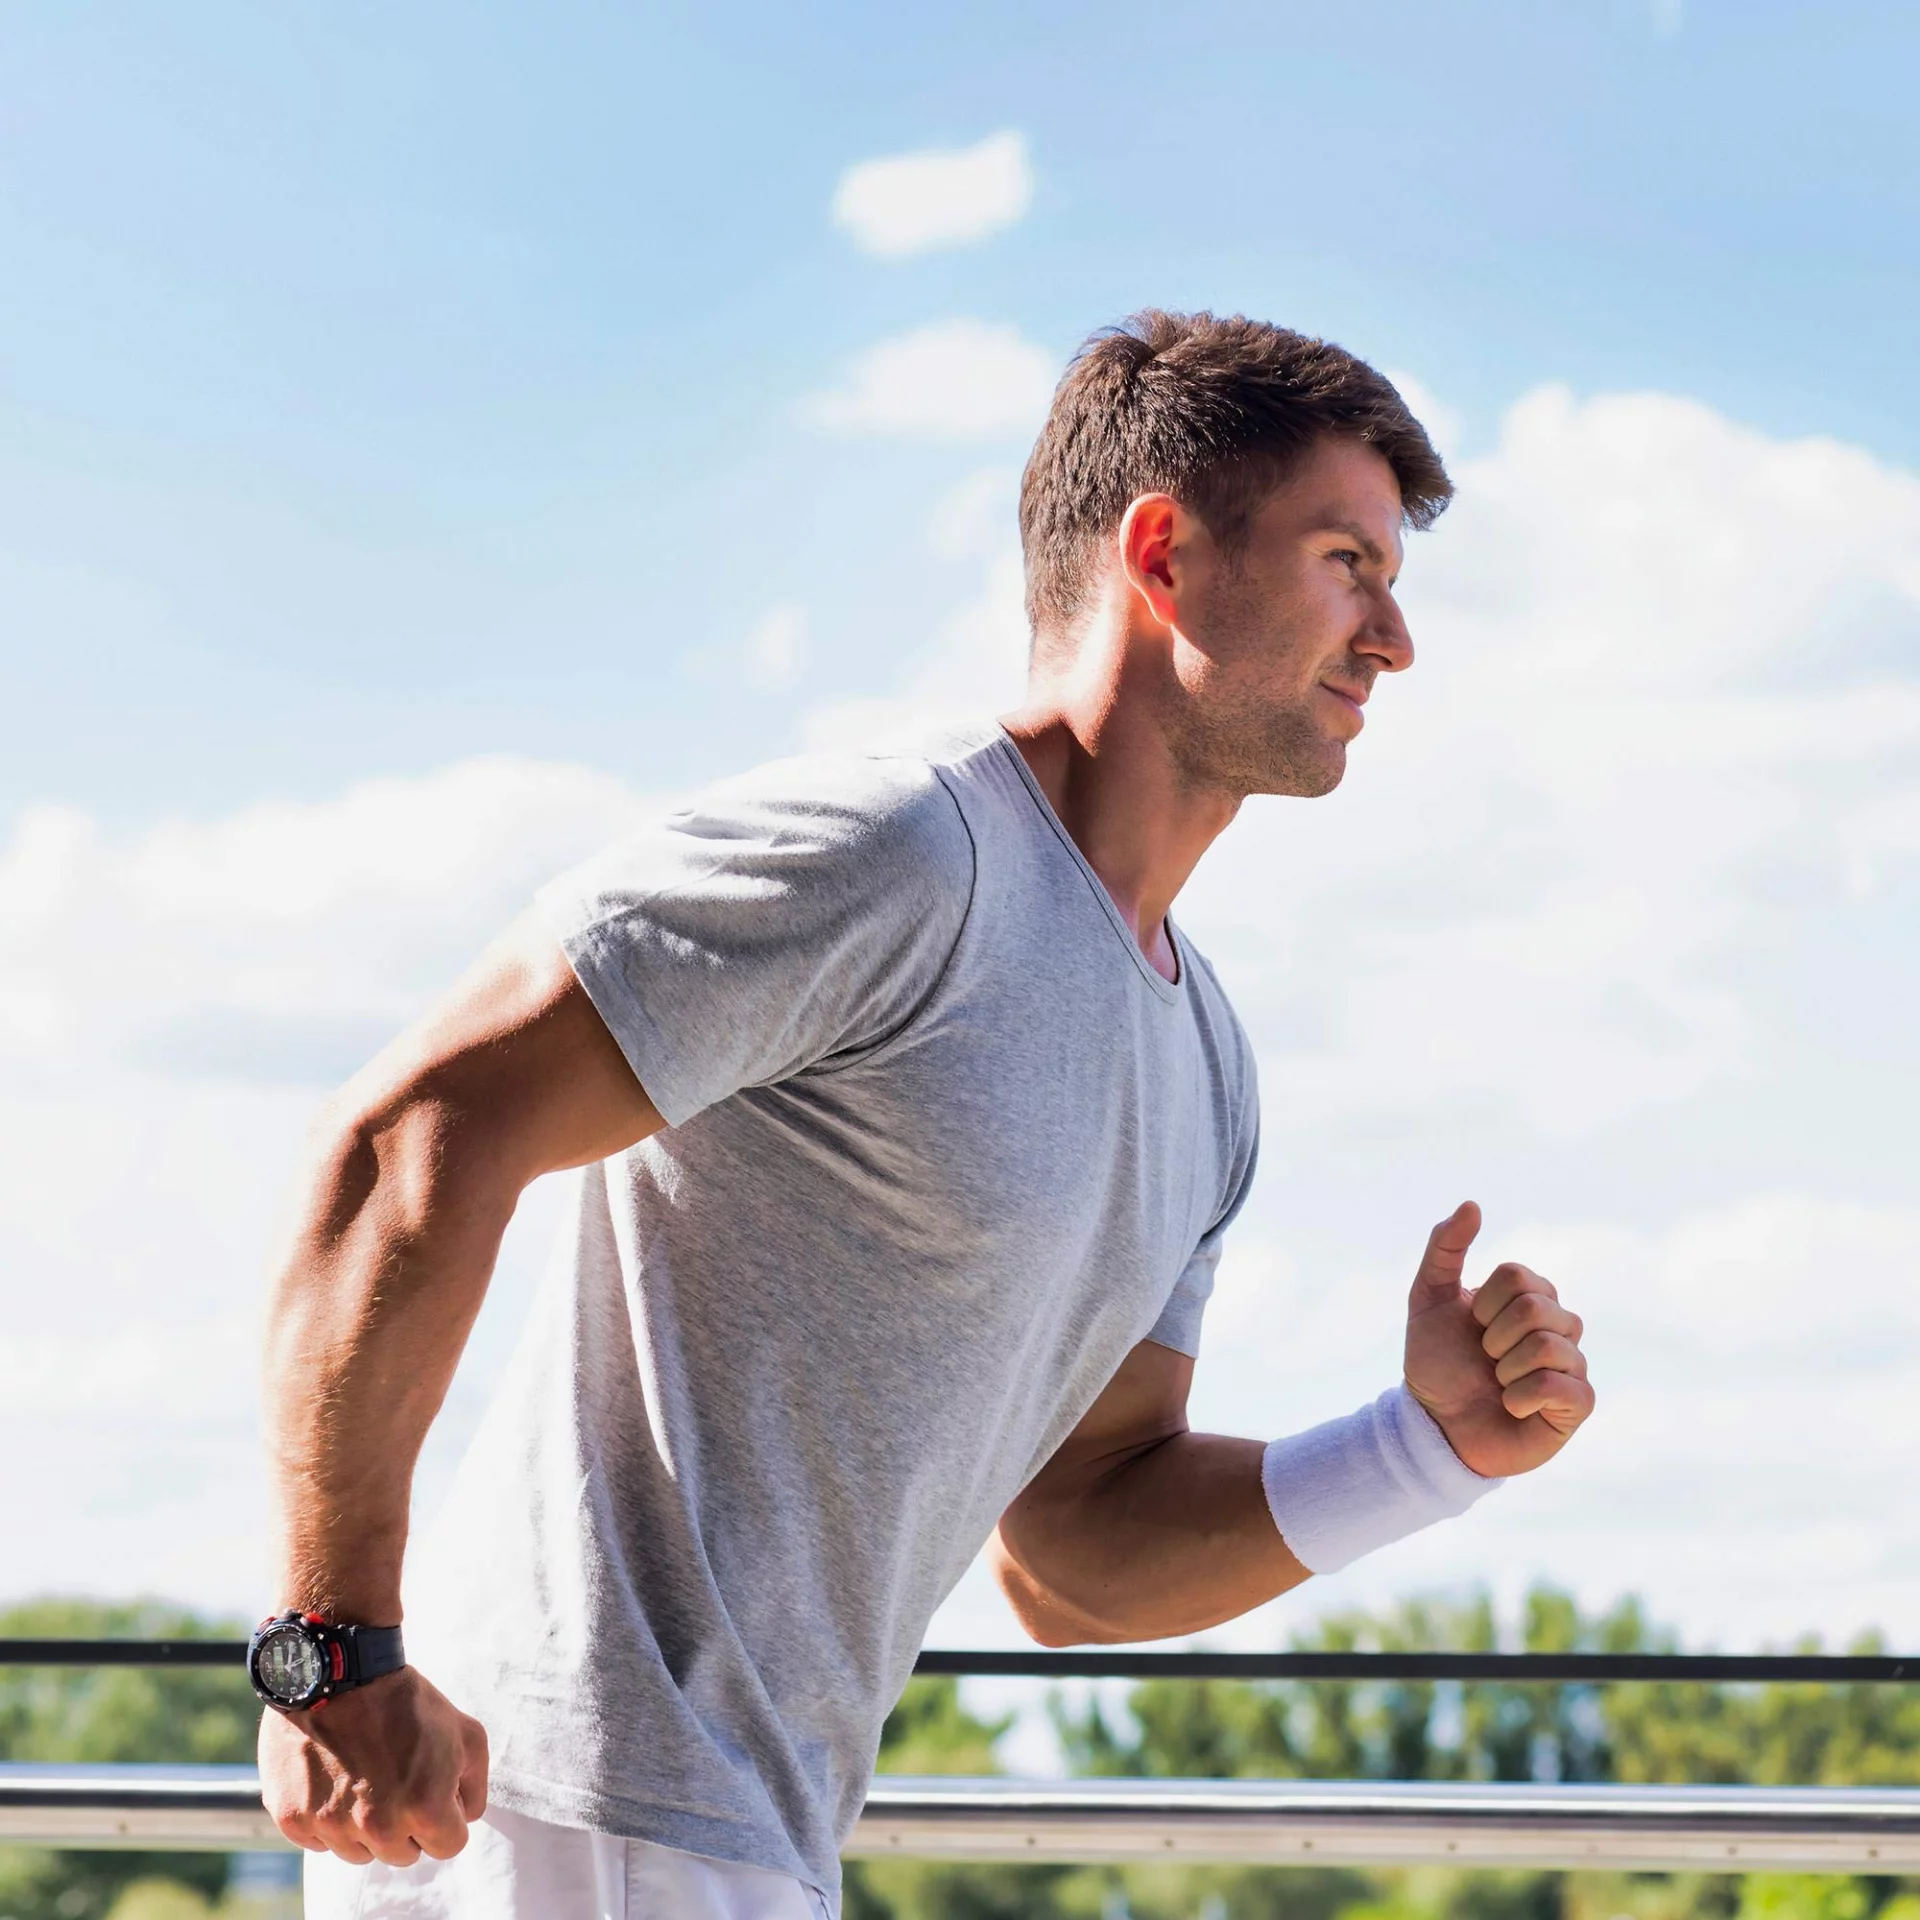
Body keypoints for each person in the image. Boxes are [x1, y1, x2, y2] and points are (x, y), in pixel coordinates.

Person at [260, 310, 1595, 1919]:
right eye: (1346, 564)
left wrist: (1426, 1451)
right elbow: (409, 1137)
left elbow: (1076, 1552)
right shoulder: (898, 856)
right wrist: (330, 1653)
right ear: (1163, 557)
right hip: (570, 1812)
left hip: (735, 1837)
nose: (1394, 639)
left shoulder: (1206, 1062)